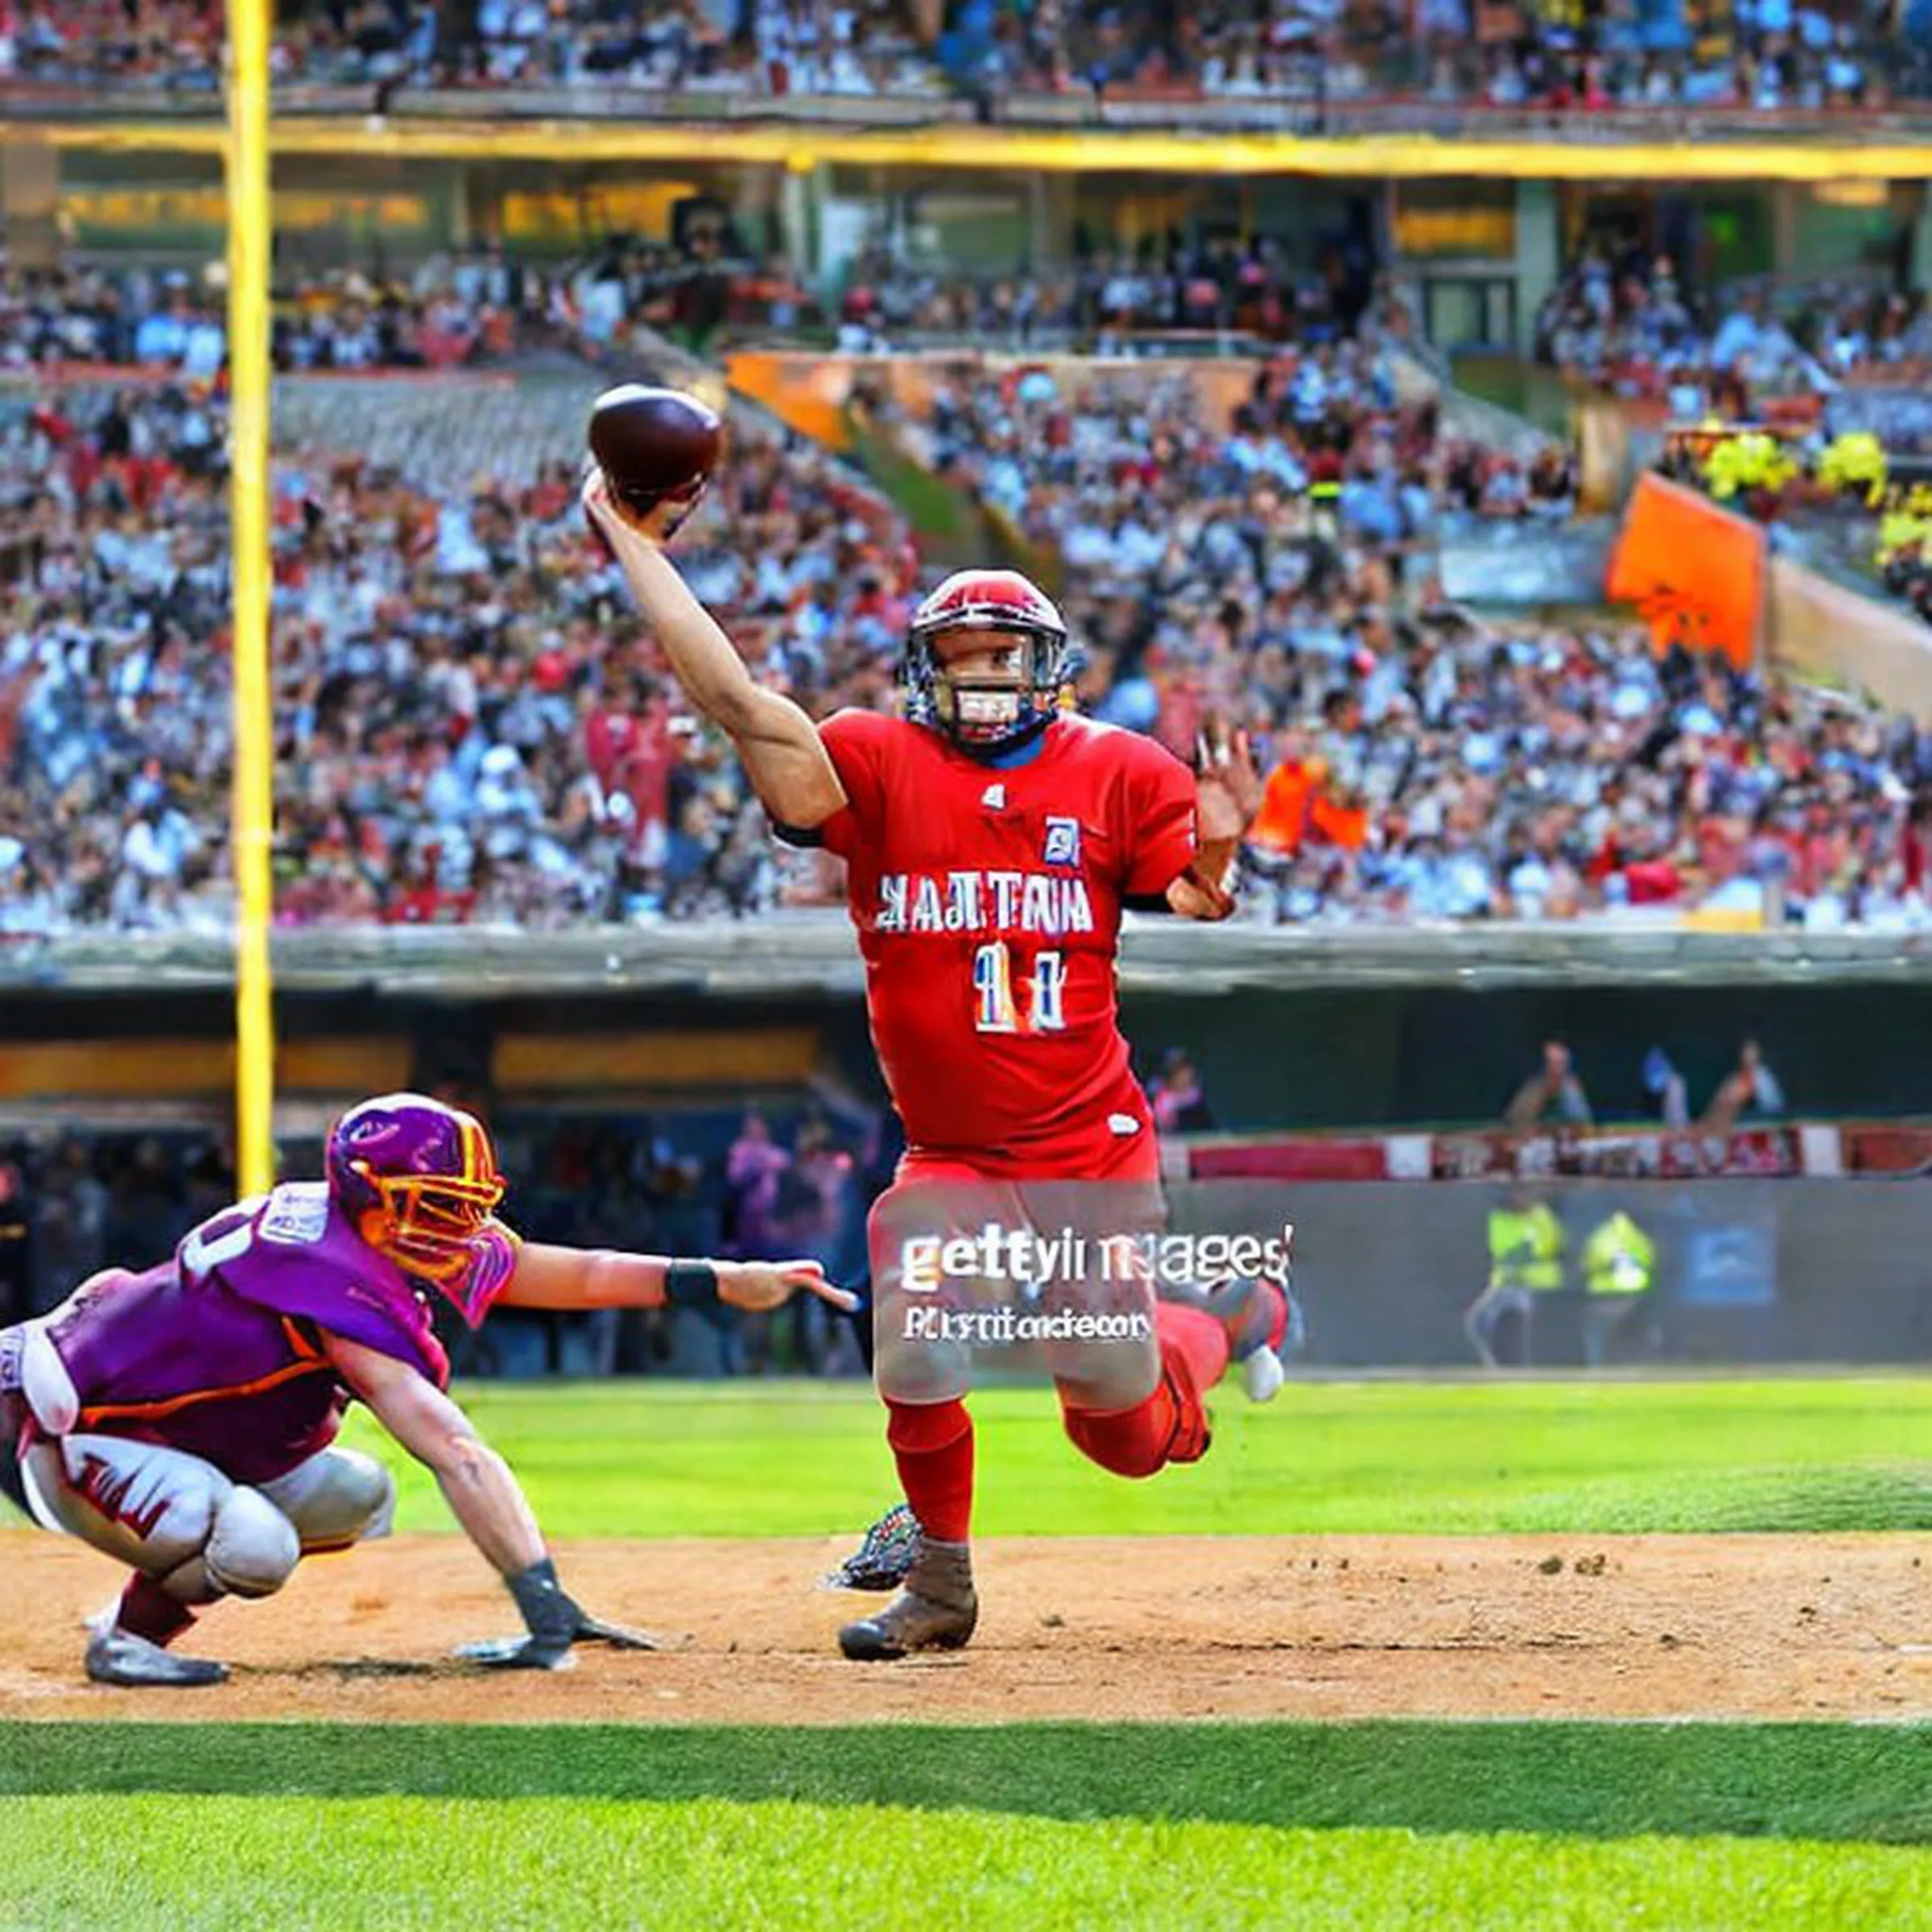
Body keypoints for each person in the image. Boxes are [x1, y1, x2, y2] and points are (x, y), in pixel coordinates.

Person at [585, 474, 1292, 1662]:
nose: (979, 675)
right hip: (954, 1151)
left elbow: (1198, 898)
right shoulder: (873, 759)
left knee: (1118, 1435)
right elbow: (737, 703)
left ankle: (1233, 1313)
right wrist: (626, 539)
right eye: (957, 654)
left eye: (1000, 656)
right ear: (924, 666)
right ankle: (943, 1585)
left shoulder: (1119, 769)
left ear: (1045, 667)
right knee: (909, 1318)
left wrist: (1221, 835)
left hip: (1084, 1149)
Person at [0, 1092, 849, 1688]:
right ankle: (128, 1641)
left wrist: (722, 1278)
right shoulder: (329, 1277)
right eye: (439, 1207)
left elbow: (572, 1270)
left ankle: (149, 1599)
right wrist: (545, 1606)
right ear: (375, 1201)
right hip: (78, 1433)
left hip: (188, 1432)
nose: (462, 1230)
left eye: (467, 1206)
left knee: (357, 1494)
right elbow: (452, 1446)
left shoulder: (365, 1228)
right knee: (255, 1545)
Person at [1503, 1039, 1594, 1133]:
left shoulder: (1571, 1088)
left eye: (1561, 1063)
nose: (1557, 1069)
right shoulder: (1533, 1090)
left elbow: (1584, 1124)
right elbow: (1514, 1121)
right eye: (1552, 1063)